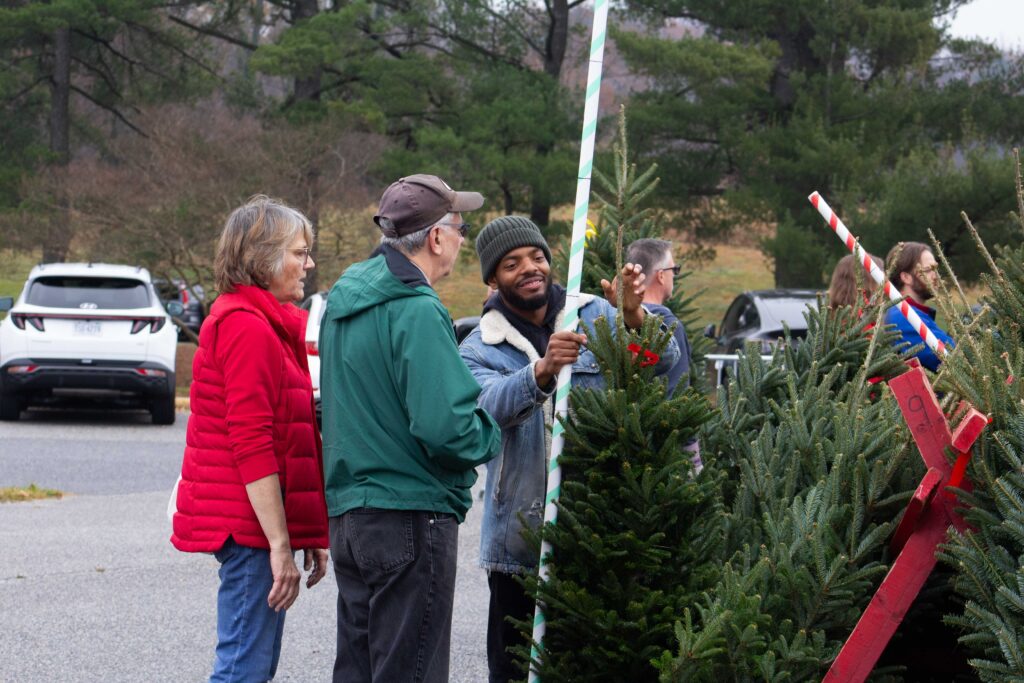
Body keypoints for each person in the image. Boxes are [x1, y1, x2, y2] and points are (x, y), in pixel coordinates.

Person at [458, 216, 681, 683]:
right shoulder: (481, 345)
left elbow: (660, 364)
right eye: (512, 263)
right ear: (493, 279)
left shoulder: (595, 313)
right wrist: (540, 372)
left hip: (596, 531)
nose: (530, 269)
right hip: (518, 541)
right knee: (513, 667)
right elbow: (484, 409)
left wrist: (636, 317)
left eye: (537, 258)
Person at [318, 174, 502, 683]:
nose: (464, 240)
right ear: (436, 237)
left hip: (351, 516)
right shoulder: (417, 309)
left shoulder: (341, 302)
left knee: (357, 670)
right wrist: (493, 432)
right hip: (410, 515)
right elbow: (447, 428)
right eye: (460, 228)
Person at [171, 196, 330, 683]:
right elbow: (253, 443)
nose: (309, 264)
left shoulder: (267, 323)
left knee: (252, 667)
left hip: (257, 529)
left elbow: (287, 439)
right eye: (299, 253)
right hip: (249, 532)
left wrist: (306, 535)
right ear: (263, 258)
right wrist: (279, 544)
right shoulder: (246, 326)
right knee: (243, 670)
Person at [883, 241, 955, 371]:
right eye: (928, 270)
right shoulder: (903, 316)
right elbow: (953, 357)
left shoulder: (915, 313)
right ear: (906, 277)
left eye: (936, 269)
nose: (936, 276)